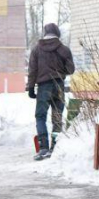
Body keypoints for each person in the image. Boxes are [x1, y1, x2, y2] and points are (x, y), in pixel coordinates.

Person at [26, 23, 75, 161]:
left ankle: (43, 148)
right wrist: (60, 71)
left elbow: (32, 70)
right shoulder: (64, 50)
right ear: (57, 33)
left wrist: (31, 87)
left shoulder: (36, 49)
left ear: (45, 33)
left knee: (40, 116)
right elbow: (71, 69)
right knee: (57, 117)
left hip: (43, 87)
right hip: (59, 85)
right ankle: (55, 146)